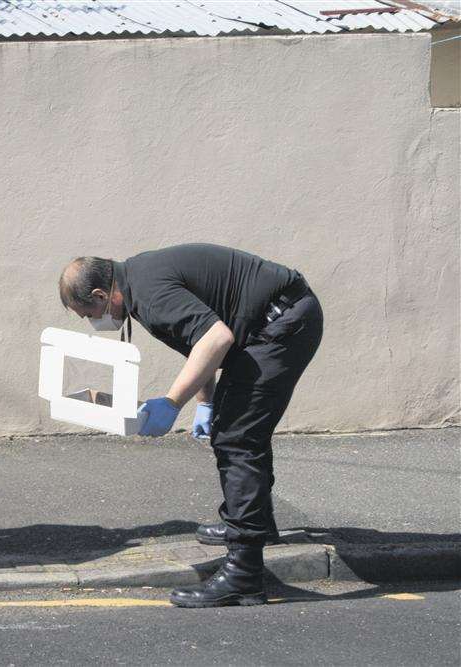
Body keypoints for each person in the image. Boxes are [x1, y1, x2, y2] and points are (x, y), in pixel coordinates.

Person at [58, 244, 323, 608]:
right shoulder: (139, 280)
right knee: (237, 428)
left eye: (89, 312)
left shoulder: (150, 295)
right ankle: (254, 524)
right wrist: (206, 403)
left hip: (281, 324)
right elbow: (199, 344)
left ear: (103, 294)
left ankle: (244, 574)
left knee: (238, 439)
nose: (93, 322)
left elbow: (216, 339)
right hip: (277, 318)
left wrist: (171, 403)